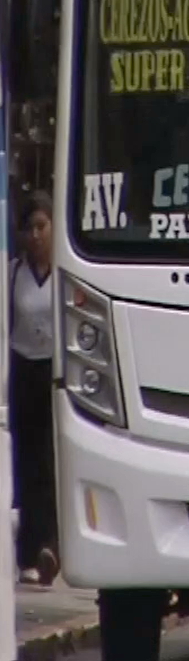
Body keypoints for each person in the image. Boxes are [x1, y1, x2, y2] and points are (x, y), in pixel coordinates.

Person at [10, 191, 58, 585]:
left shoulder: (64, 273)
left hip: (54, 371)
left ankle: (51, 544)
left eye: (42, 226)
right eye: (30, 228)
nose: (36, 235)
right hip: (24, 368)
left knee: (50, 459)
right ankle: (28, 550)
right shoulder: (14, 274)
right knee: (27, 462)